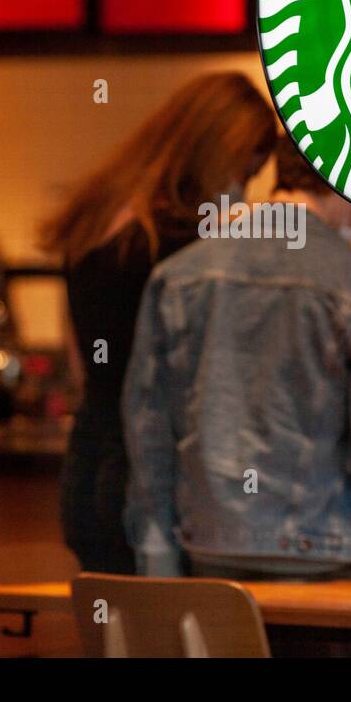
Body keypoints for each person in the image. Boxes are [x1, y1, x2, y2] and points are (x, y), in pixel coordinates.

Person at [122, 138, 351, 581]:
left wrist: (157, 561)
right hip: (330, 551)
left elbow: (148, 434)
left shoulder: (178, 276)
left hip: (210, 548)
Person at [41, 72, 277, 574]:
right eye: (244, 172)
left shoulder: (95, 218)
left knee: (121, 634)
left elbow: (82, 368)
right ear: (222, 153)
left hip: (89, 461)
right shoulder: (184, 241)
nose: (242, 190)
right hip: (155, 470)